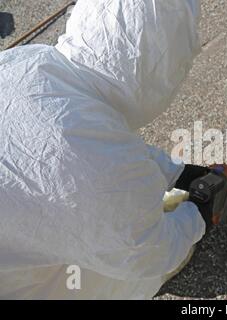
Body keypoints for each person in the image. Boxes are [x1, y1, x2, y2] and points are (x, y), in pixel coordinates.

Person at [0, 0, 211, 299]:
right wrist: (197, 216)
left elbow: (102, 144)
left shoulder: (30, 63)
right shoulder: (87, 162)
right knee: (102, 274)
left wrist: (175, 171)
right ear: (160, 70)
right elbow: (144, 250)